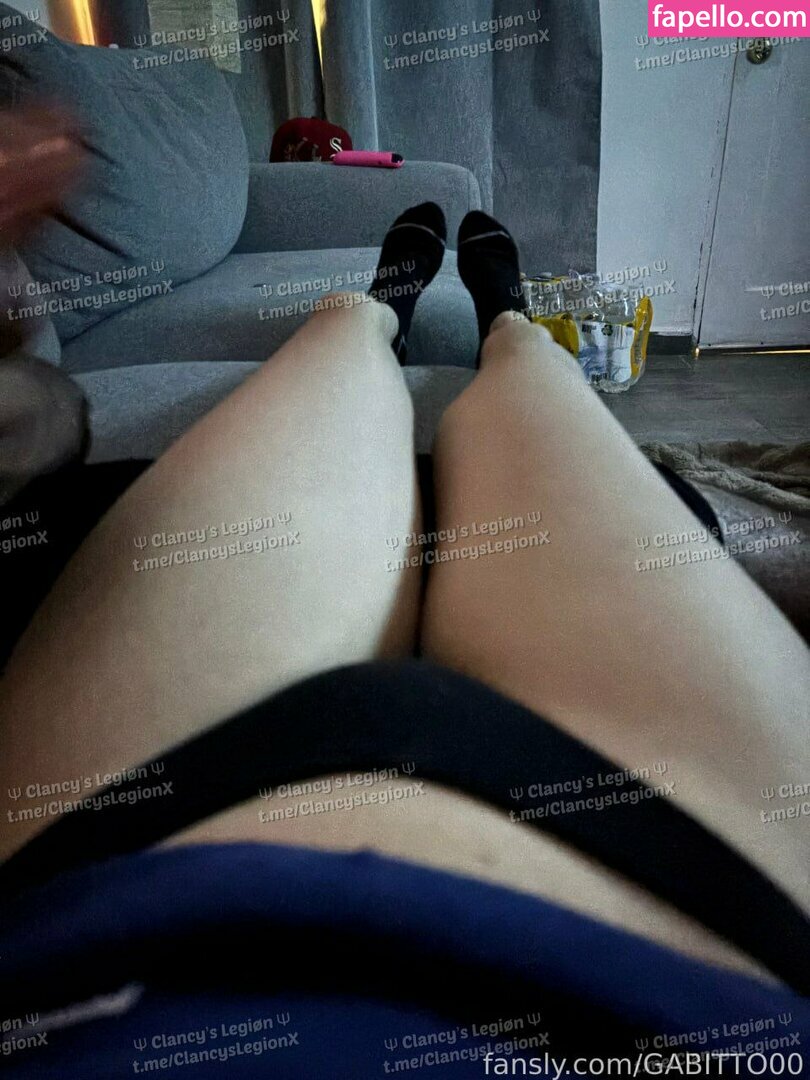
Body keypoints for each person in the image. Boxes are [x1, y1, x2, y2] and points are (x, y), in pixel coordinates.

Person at [0, 119, 808, 1076]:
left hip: (96, 886)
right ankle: (505, 320)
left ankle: (390, 304)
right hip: (716, 929)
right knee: (542, 397)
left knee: (334, 352)